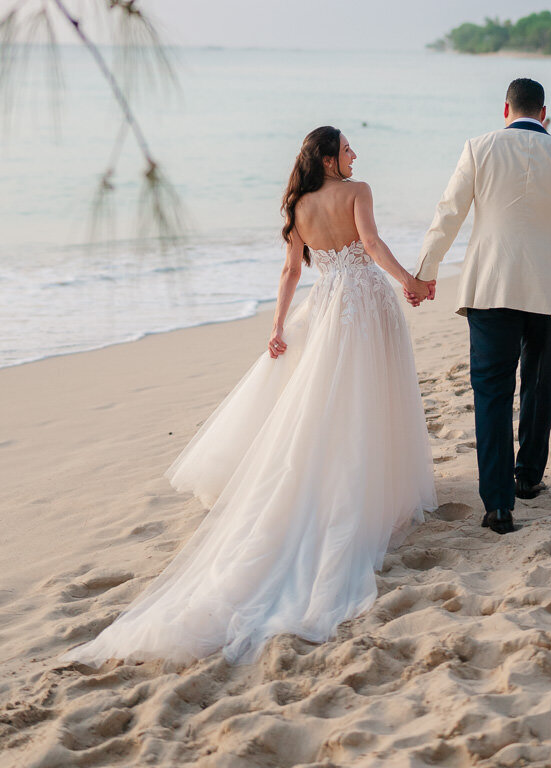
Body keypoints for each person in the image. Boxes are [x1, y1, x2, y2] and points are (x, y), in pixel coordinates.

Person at [68, 126, 436, 667]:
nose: (356, 154)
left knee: (335, 403)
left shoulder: (299, 205)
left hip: (327, 305)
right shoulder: (359, 192)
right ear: (331, 158)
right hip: (364, 302)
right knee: (370, 396)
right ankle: (369, 493)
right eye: (349, 147)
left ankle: (346, 481)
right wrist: (409, 281)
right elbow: (373, 245)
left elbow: (291, 271)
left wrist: (278, 326)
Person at [414, 79, 551, 536]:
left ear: (506, 109)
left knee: (492, 392)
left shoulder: (478, 149)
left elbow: (448, 213)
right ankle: (529, 478)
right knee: (539, 383)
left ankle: (498, 505)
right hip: (550, 289)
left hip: (491, 287)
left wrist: (426, 271)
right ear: (543, 113)